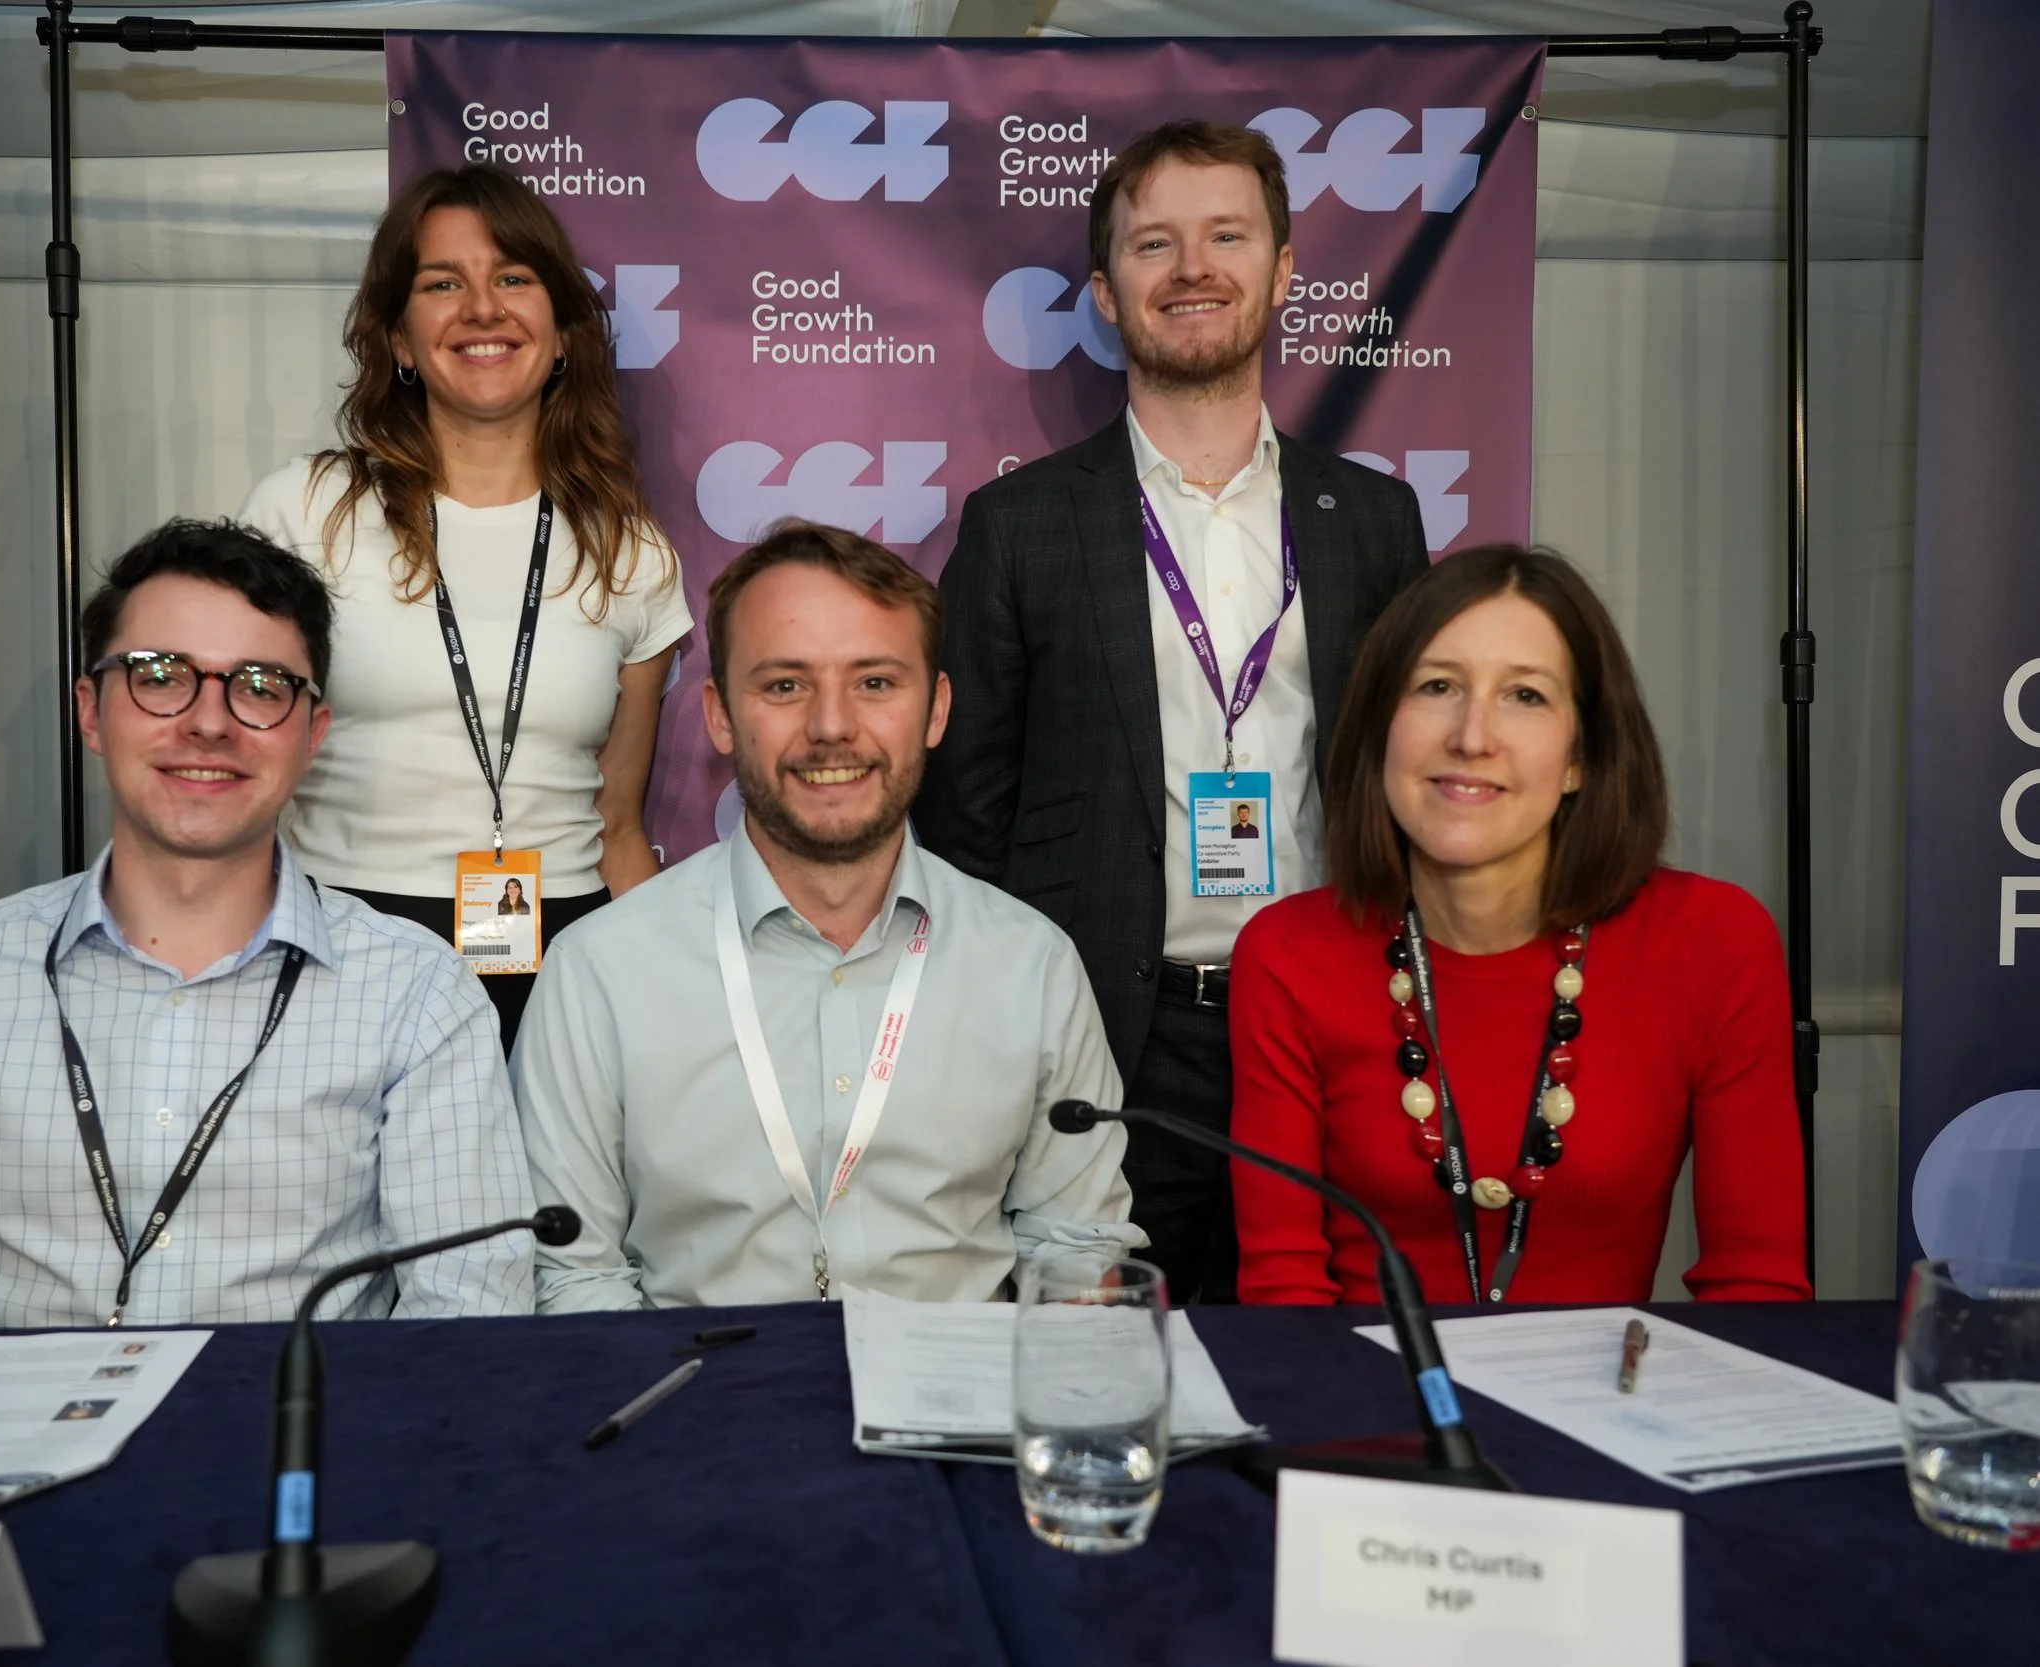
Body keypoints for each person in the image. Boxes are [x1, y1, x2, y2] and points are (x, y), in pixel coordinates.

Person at [0, 520, 538, 1332]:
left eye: (261, 685)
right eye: (160, 675)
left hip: (295, 1446)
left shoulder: (413, 991)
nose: (208, 722)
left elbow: (471, 1313)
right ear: (91, 712)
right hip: (15, 1449)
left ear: (311, 737)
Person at [917, 119, 1431, 1304]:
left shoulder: (1375, 520)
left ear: (1284, 268)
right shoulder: (1021, 526)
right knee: (1107, 1364)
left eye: (1225, 236)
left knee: (1313, 1357)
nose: (1191, 268)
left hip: (1328, 1021)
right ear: (1106, 293)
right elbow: (965, 809)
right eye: (1154, 244)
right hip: (1108, 1037)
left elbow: (1407, 783)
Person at [513, 523, 1141, 1310]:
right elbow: (573, 1275)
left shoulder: (1031, 964)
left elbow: (1078, 1248)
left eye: (876, 682)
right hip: (698, 1410)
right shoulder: (600, 972)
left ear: (937, 709)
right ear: (717, 715)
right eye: (785, 685)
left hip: (956, 1415)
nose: (832, 726)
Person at [1228, 545, 1811, 1306]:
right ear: (1380, 730)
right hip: (1365, 1406)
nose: (1473, 735)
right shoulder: (1286, 954)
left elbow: (1756, 1289)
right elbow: (1284, 1298)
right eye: (1438, 685)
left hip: (1617, 1418)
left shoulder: (1714, 941)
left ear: (1582, 756)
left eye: (1526, 696)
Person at [239, 163, 689, 1047]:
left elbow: (620, 826)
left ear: (562, 332)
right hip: (343, 941)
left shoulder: (629, 550)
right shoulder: (301, 514)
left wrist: (676, 1015)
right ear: (400, 340)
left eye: (513, 279)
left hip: (565, 956)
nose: (482, 309)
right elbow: (231, 775)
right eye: (443, 283)